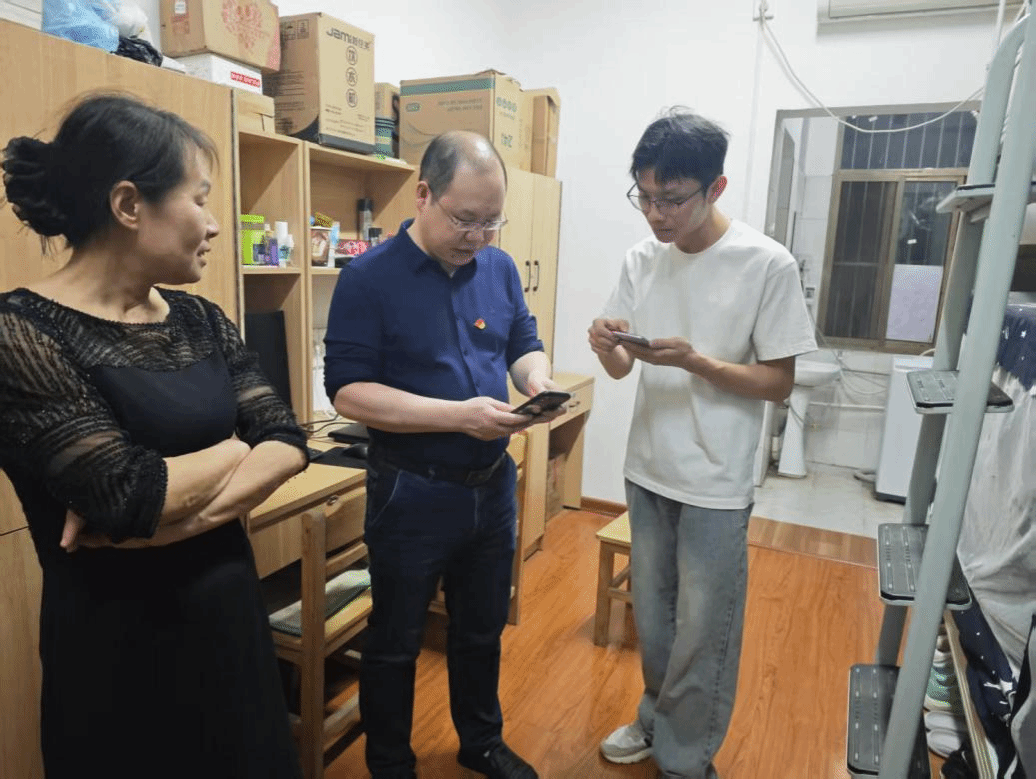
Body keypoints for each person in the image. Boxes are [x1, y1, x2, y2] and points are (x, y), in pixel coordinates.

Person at [0, 93, 308, 779]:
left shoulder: (200, 318)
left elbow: (285, 436)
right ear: (129, 205)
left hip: (230, 627)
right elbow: (130, 493)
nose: (214, 224)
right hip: (117, 656)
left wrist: (162, 525)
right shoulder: (20, 332)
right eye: (199, 199)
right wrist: (235, 448)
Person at [324, 130, 560, 779]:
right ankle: (390, 762)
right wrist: (458, 416)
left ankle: (480, 741)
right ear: (424, 195)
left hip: (492, 484)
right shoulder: (368, 277)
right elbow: (347, 390)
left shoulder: (499, 268)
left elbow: (522, 342)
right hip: (412, 488)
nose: (477, 236)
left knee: (481, 628)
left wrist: (536, 382)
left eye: (491, 221)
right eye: (464, 219)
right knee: (396, 638)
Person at [588, 109, 817, 779]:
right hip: (647, 466)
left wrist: (697, 363)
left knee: (703, 627)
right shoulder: (641, 259)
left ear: (715, 188)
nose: (655, 214)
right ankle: (655, 718)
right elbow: (622, 368)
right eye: (644, 196)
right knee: (656, 619)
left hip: (715, 479)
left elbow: (778, 382)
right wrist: (604, 345)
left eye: (671, 198)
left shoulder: (765, 263)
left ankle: (686, 758)